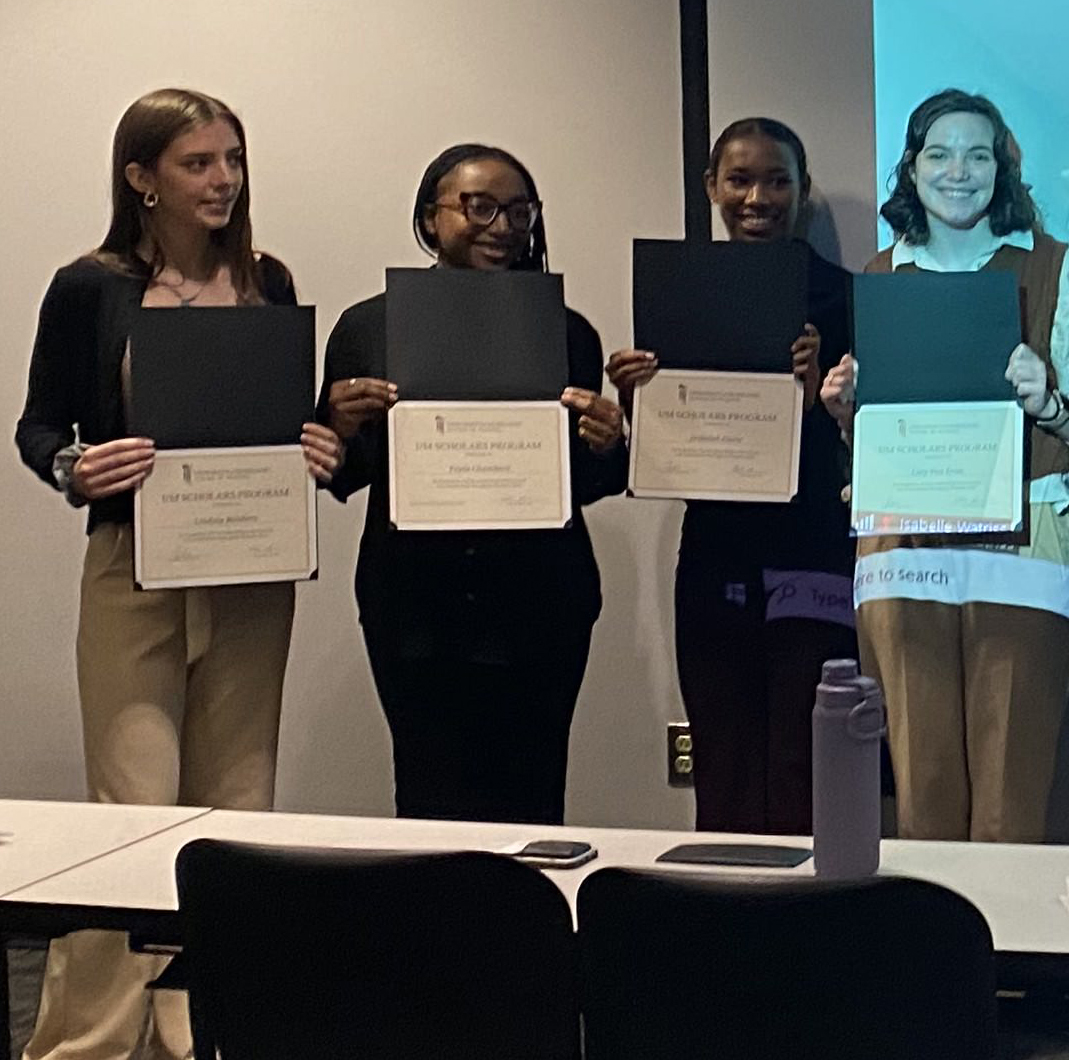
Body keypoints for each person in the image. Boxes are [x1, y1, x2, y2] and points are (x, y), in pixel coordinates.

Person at [14, 89, 343, 1060]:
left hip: (252, 572)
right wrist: (75, 466)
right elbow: (40, 427)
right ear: (140, 178)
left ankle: (213, 1028)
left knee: (238, 809)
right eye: (199, 162)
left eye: (233, 159)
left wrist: (317, 442)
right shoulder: (91, 287)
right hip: (133, 571)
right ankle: (91, 1042)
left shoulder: (269, 283)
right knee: (132, 814)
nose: (224, 180)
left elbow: (292, 421)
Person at [816, 88, 1069, 844]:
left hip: (1026, 545)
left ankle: (1006, 960)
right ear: (911, 170)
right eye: (939, 154)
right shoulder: (877, 276)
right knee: (921, 787)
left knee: (1014, 794)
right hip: (904, 552)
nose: (959, 171)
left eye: (978, 154)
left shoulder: (1055, 270)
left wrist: (1048, 400)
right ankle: (935, 959)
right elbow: (881, 442)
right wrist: (846, 411)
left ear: (1001, 169)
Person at [319, 143, 629, 825]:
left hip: (542, 602)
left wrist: (609, 446)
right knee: (427, 793)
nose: (502, 225)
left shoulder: (566, 330)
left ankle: (533, 933)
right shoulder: (368, 326)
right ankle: (433, 937)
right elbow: (343, 474)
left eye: (520, 211)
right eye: (479, 206)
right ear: (431, 219)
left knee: (536, 792)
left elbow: (586, 483)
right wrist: (338, 429)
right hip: (413, 604)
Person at [605, 118, 855, 834]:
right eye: (740, 179)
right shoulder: (680, 290)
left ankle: (809, 920)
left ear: (803, 191)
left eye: (778, 179)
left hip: (815, 549)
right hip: (716, 550)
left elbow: (866, 449)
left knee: (807, 760)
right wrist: (640, 399)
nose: (758, 197)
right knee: (723, 755)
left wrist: (819, 406)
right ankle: (728, 921)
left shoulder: (845, 296)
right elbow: (670, 439)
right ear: (711, 185)